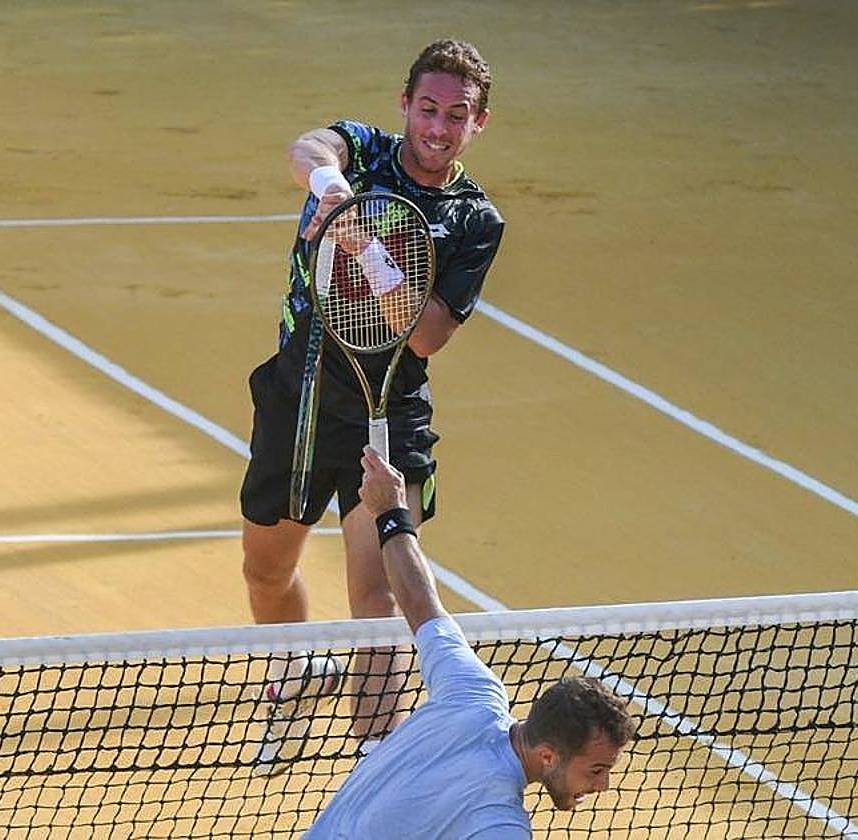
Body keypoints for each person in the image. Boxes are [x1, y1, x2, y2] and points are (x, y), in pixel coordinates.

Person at [241, 38, 506, 767]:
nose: (438, 127)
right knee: (265, 572)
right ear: (405, 105)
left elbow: (424, 337)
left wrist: (371, 253)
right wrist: (329, 182)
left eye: (458, 115)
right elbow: (309, 145)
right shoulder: (363, 152)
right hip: (299, 393)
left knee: (378, 597)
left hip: (387, 409)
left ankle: (374, 768)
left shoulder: (475, 220)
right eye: (428, 109)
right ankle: (294, 675)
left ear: (478, 123)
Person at [303, 448, 637, 838]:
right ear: (548, 756)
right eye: (596, 769)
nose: (603, 785)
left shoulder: (473, 692)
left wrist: (390, 512)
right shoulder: (497, 822)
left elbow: (419, 603)